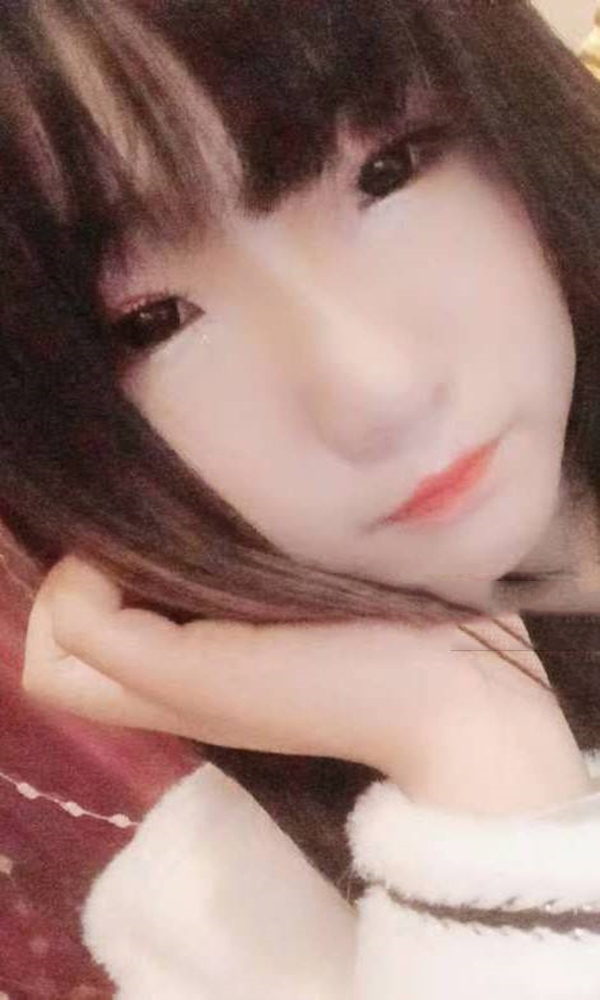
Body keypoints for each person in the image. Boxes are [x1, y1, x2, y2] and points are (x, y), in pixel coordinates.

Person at [7, 0, 600, 994]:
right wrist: (472, 758)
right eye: (152, 321)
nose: (380, 389)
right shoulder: (223, 927)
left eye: (388, 170)